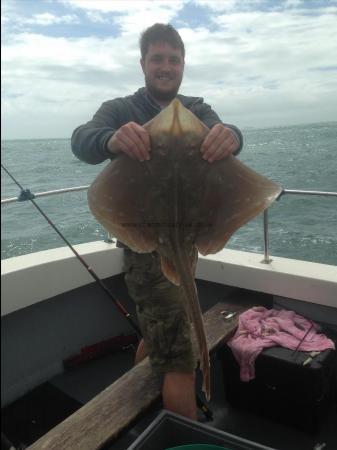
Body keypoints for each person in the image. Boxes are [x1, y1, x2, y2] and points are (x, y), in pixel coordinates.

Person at [71, 23, 243, 420]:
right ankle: (181, 427)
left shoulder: (196, 109)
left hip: (188, 242)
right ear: (143, 64)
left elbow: (228, 133)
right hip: (145, 245)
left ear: (183, 65)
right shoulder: (120, 109)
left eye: (173, 60)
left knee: (161, 332)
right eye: (157, 59)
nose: (165, 67)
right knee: (182, 358)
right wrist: (110, 139)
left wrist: (231, 135)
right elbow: (82, 139)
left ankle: (140, 403)